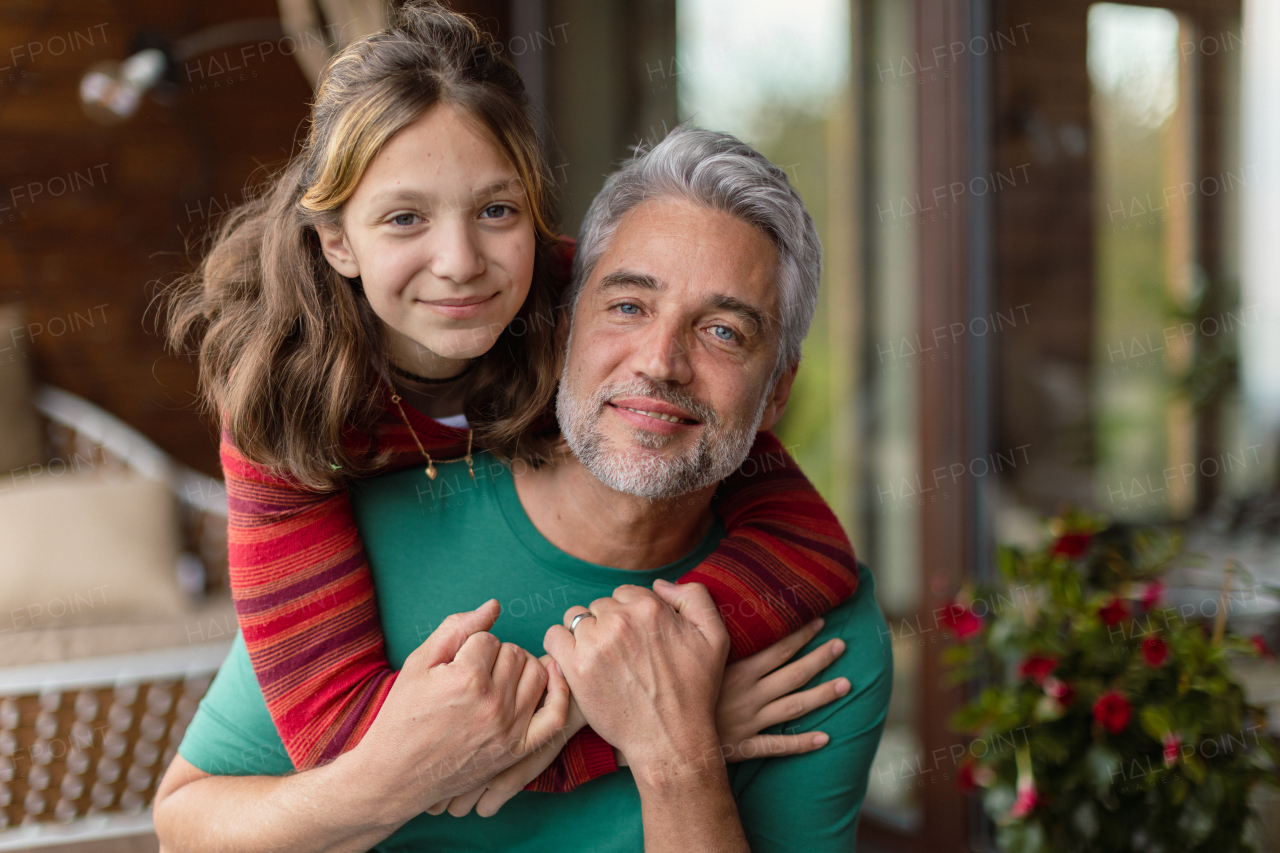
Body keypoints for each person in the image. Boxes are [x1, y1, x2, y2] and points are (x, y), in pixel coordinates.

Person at [162, 0, 859, 795]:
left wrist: (666, 688)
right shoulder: (283, 406)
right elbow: (342, 740)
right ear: (337, 241)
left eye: (497, 210)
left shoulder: (599, 313)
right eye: (404, 217)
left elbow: (811, 545)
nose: (460, 262)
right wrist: (647, 728)